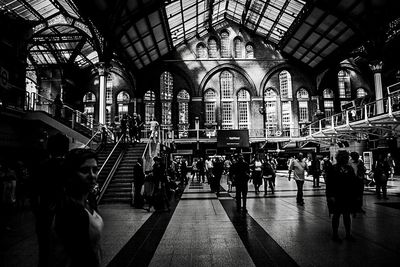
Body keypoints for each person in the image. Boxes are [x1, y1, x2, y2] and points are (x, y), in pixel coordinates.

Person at [53, 148, 103, 267]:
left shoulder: (87, 200)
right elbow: (82, 257)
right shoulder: (71, 210)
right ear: (71, 173)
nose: (92, 175)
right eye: (84, 170)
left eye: (95, 170)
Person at [30, 133, 69, 267]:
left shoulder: (41, 166)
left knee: (45, 250)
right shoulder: (68, 167)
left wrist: (38, 212)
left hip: (45, 212)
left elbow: (33, 193)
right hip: (65, 211)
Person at [326, 150, 358, 242]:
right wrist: (330, 195)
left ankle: (347, 234)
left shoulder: (349, 168)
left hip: (346, 195)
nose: (347, 159)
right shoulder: (333, 168)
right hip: (338, 195)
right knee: (338, 215)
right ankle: (336, 234)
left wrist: (355, 195)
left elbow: (353, 183)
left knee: (346, 215)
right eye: (346, 157)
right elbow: (329, 183)